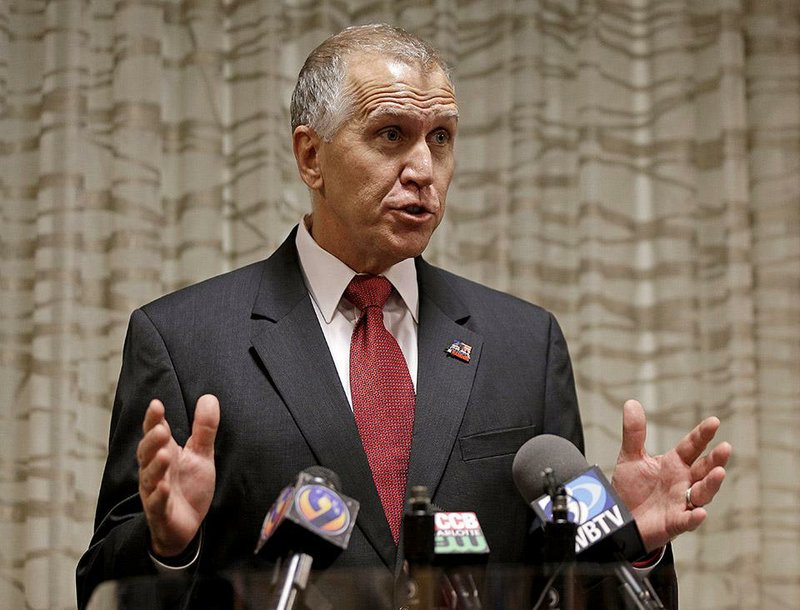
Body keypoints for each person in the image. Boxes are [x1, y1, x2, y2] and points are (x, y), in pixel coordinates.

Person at [76, 24, 731, 609]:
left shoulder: (523, 344)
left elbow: (562, 586)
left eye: (440, 139)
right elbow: (101, 589)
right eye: (391, 135)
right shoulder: (184, 341)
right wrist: (168, 546)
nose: (423, 169)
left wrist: (630, 546)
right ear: (311, 156)